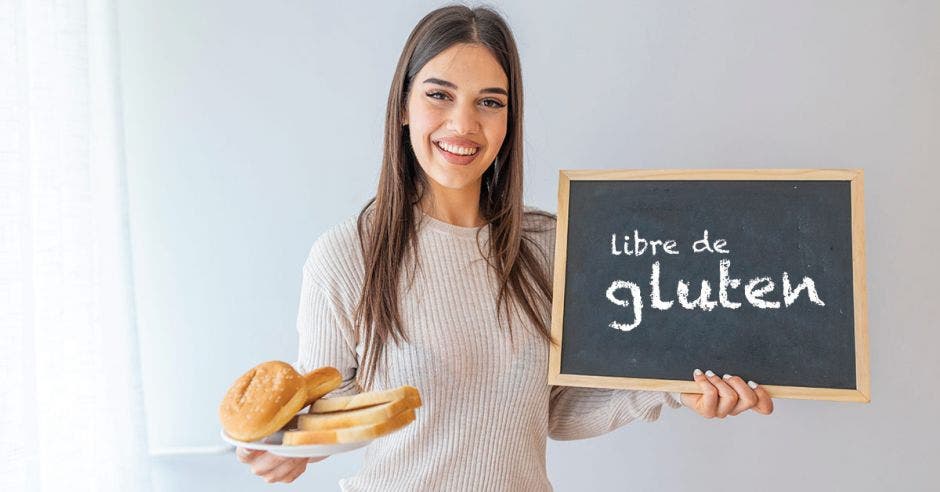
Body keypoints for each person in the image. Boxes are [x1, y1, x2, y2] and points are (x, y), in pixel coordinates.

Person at [236, 5, 774, 489]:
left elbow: (554, 409)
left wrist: (673, 392)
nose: (463, 125)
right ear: (403, 106)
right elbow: (326, 409)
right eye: (439, 95)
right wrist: (286, 447)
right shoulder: (348, 255)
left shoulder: (549, 246)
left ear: (509, 120)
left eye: (489, 102)